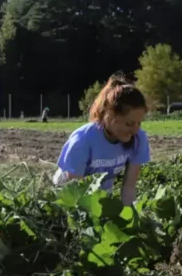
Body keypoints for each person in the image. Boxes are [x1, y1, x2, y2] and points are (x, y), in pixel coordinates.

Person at [54, 73, 150, 205]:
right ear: (109, 116)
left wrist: (131, 217)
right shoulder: (83, 140)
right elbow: (75, 192)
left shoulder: (138, 138)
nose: (135, 129)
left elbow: (129, 188)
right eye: (129, 123)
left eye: (139, 123)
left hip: (101, 199)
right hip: (66, 197)